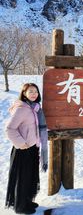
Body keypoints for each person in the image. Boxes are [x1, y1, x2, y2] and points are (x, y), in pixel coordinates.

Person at [5, 83, 48, 214]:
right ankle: (20, 206)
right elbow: (9, 129)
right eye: (31, 91)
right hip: (23, 149)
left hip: (33, 148)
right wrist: (21, 143)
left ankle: (27, 201)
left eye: (35, 91)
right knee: (22, 178)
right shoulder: (22, 109)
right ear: (24, 94)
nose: (34, 94)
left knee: (30, 177)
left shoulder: (35, 108)